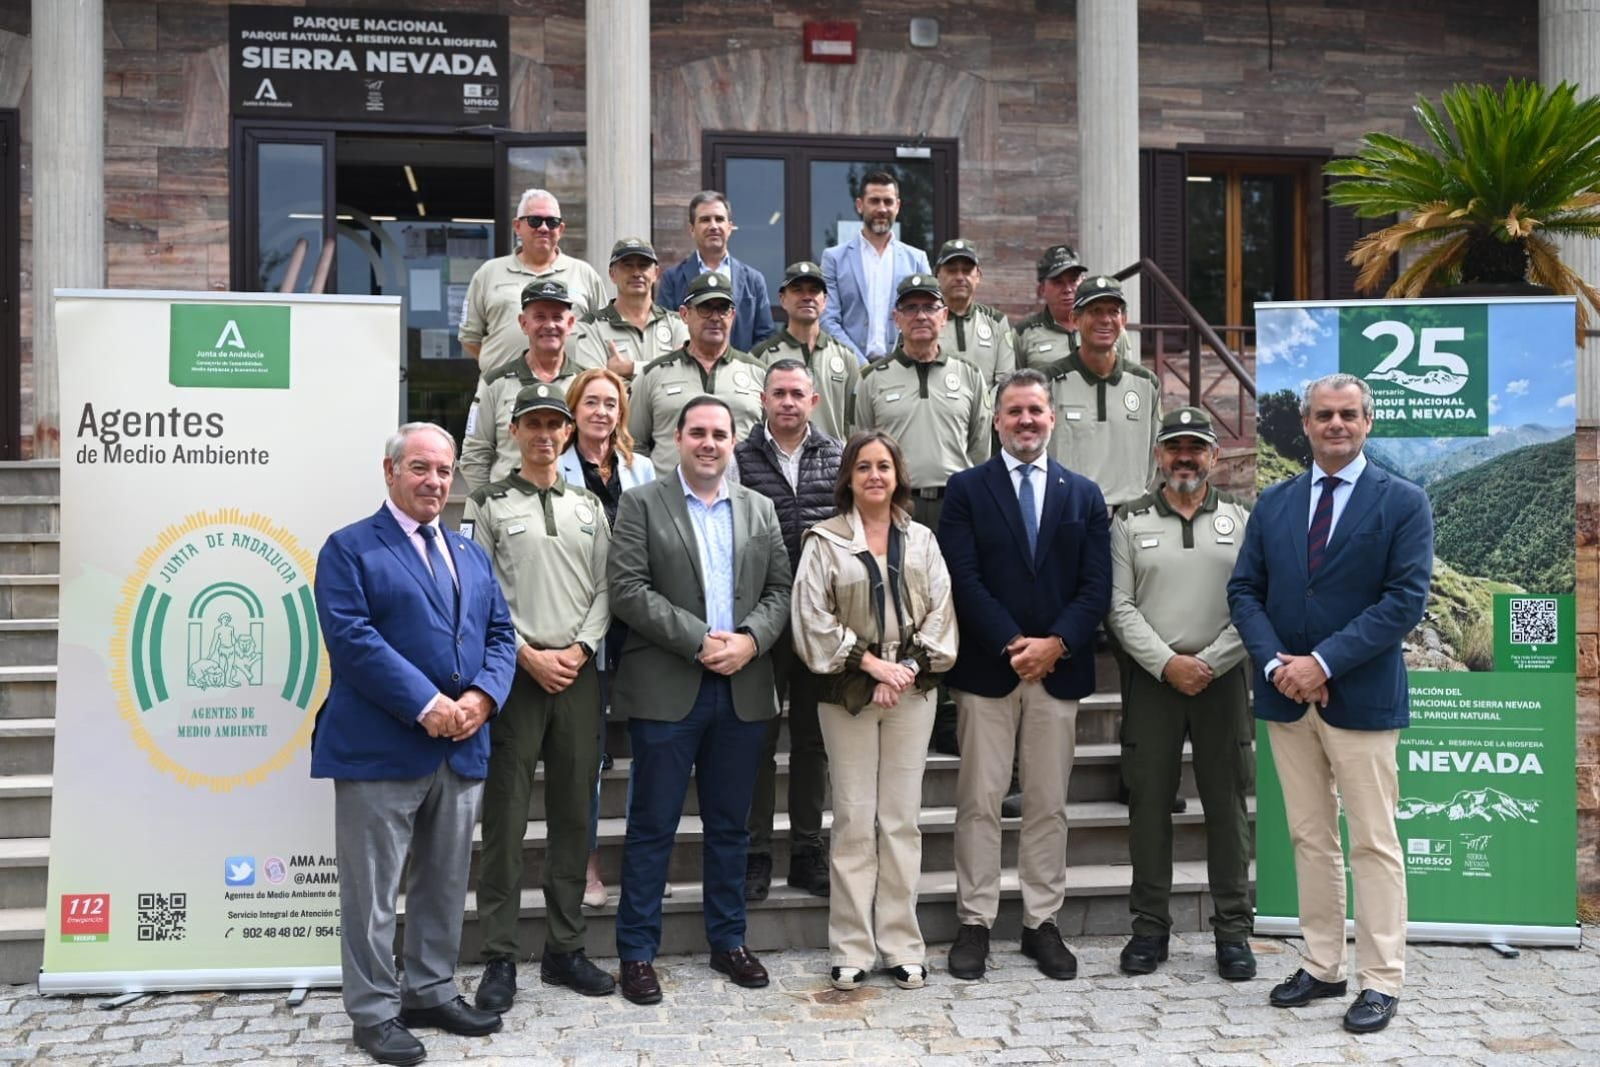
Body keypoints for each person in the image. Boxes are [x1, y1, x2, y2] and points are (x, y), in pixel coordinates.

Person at [1228, 373, 1433, 1035]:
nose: (1336, 424)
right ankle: (1322, 963)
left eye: (1349, 414)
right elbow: (1245, 592)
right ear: (1307, 423)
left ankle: (1381, 979)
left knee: (1373, 842)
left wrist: (1323, 662)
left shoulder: (1403, 502)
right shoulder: (1276, 502)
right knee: (1309, 838)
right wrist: (1277, 664)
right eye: (1324, 414)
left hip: (1361, 697)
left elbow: (1403, 601)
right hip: (1286, 697)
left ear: (1367, 422)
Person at [312, 422, 517, 1066]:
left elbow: (501, 635)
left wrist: (482, 699)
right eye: (421, 469)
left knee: (444, 881)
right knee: (372, 892)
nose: (435, 482)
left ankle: (429, 989)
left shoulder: (469, 552)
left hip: (461, 746)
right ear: (390, 471)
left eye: (444, 470)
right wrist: (427, 705)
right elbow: (353, 639)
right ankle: (373, 1012)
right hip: (381, 748)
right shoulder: (349, 549)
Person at [606, 396, 793, 1005]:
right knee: (652, 826)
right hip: (667, 687)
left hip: (741, 688)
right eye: (697, 433)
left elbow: (781, 589)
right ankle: (636, 951)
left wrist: (749, 641)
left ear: (733, 441)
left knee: (730, 829)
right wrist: (697, 641)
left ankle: (728, 939)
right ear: (678, 439)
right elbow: (627, 589)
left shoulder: (759, 508)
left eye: (719, 434)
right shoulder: (640, 503)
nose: (708, 443)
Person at [937, 368, 1111, 983]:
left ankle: (1042, 921)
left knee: (1047, 803)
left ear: (1052, 418)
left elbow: (1097, 587)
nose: (1026, 421)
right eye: (1014, 412)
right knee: (978, 802)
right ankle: (975, 921)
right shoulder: (965, 490)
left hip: (1058, 674)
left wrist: (1056, 644)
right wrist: (1015, 643)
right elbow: (963, 578)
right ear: (996, 420)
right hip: (989, 669)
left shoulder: (1084, 495)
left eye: (1035, 411)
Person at [465, 387, 616, 1009]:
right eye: (534, 424)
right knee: (504, 817)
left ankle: (564, 947)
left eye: (555, 424)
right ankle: (499, 955)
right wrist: (526, 653)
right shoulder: (491, 505)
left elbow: (609, 587)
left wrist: (579, 650)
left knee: (573, 816)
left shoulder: (589, 506)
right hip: (516, 676)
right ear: (516, 431)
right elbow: (480, 592)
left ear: (568, 431)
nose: (546, 435)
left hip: (579, 674)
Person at [790, 430, 958, 991]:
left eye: (883, 466)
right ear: (848, 478)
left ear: (898, 475)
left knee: (901, 821)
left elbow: (940, 609)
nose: (875, 476)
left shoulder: (923, 539)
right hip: (849, 697)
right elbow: (811, 618)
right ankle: (851, 947)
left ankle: (902, 944)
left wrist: (903, 668)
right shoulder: (824, 540)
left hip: (911, 694)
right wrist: (870, 665)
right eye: (863, 467)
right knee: (855, 820)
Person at [1106, 407, 1256, 981]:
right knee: (1149, 808)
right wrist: (1169, 663)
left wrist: (1211, 662)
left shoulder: (1242, 521)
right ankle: (1149, 930)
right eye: (1174, 448)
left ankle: (1233, 933)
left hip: (1223, 683)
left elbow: (1252, 603)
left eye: (1196, 447)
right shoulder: (1130, 522)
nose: (1185, 457)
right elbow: (1119, 608)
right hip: (1154, 683)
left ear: (1214, 458)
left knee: (1227, 808)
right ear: (1158, 456)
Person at [850, 272, 989, 756]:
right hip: (896, 506)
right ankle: (893, 693)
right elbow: (862, 448)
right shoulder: (873, 379)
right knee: (895, 604)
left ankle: (946, 712)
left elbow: (978, 446)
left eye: (929, 307)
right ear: (896, 318)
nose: (920, 316)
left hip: (955, 505)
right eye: (909, 308)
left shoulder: (969, 376)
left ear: (944, 316)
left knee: (948, 605)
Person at [734, 359, 844, 901]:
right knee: (757, 737)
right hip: (762, 615)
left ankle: (806, 849)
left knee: (812, 738)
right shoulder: (739, 459)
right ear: (763, 399)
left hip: (821, 617)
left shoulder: (837, 457)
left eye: (797, 393)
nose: (787, 403)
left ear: (813, 401)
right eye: (778, 393)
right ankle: (756, 853)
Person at [556, 368, 656, 908]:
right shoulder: (557, 470)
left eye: (610, 403)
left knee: (649, 749)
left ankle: (642, 864)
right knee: (588, 757)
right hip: (582, 622)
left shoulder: (643, 470)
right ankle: (588, 868)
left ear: (622, 413)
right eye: (590, 401)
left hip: (637, 625)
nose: (601, 412)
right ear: (574, 410)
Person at [630, 271, 768, 477]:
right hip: (669, 502)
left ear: (733, 316)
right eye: (705, 308)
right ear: (684, 314)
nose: (715, 317)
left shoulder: (758, 373)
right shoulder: (653, 374)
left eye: (722, 309)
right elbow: (633, 444)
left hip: (740, 499)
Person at [460, 188, 608, 377]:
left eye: (552, 222)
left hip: (571, 395)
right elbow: (470, 338)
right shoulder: (488, 273)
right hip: (507, 397)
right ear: (517, 226)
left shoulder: (586, 275)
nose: (544, 228)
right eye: (535, 220)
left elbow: (605, 335)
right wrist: (498, 370)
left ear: (561, 229)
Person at [461, 280, 585, 494]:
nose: (549, 325)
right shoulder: (495, 383)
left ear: (571, 323)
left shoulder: (585, 382)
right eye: (539, 317)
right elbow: (474, 454)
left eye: (557, 317)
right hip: (508, 510)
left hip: (570, 511)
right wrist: (491, 505)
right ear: (523, 323)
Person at [821, 171, 932, 363]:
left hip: (904, 368)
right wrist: (860, 364)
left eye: (888, 202)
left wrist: (896, 363)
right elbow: (828, 321)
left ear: (897, 206)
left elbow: (929, 315)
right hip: (850, 370)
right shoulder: (834, 259)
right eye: (874, 201)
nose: (882, 209)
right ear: (859, 205)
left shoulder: (916, 259)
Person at [751, 261, 858, 441]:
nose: (807, 297)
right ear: (782, 299)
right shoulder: (762, 356)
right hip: (777, 463)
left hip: (832, 465)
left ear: (824, 301)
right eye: (798, 290)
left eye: (814, 290)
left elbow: (854, 422)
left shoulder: (845, 356)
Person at [657, 190, 776, 352]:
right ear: (691, 229)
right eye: (705, 220)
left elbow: (765, 336)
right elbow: (664, 331)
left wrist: (743, 366)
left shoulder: (753, 280)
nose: (713, 226)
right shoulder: (672, 279)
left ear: (730, 227)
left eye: (719, 219)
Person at [572, 237, 689, 387]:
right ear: (612, 274)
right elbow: (594, 386)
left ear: (656, 273)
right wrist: (666, 372)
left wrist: (630, 368)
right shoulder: (590, 326)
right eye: (627, 266)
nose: (636, 273)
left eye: (644, 265)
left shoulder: (678, 323)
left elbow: (687, 375)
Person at [1013, 245, 1134, 372]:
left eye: (1073, 280)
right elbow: (1010, 385)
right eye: (1058, 282)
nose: (1068, 289)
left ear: (1083, 282)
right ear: (1042, 289)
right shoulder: (1024, 333)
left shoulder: (1109, 328)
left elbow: (1129, 379)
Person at [934, 239, 1016, 388]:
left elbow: (1006, 382)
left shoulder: (997, 321)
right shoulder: (926, 321)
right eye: (952, 270)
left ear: (978, 276)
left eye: (966, 270)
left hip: (988, 410)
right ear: (938, 275)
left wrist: (985, 410)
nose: (959, 277)